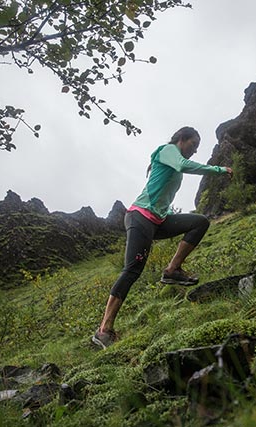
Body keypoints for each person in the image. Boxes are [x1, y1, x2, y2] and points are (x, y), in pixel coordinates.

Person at [92, 126, 232, 349]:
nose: (194, 151)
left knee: (200, 222)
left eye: (197, 148)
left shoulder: (174, 159)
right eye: (193, 145)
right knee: (132, 270)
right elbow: (183, 164)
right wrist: (217, 169)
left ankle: (172, 270)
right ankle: (104, 330)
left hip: (158, 220)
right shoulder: (167, 150)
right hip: (140, 216)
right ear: (182, 139)